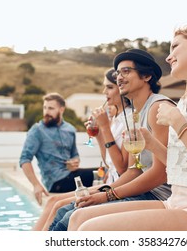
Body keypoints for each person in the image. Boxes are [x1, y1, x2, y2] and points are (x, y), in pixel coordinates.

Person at [68, 24, 187, 231]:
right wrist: (152, 144)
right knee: (79, 218)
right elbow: (180, 165)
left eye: (175, 47)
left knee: (89, 230)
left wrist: (178, 122)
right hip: (176, 201)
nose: (168, 57)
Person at [48, 49, 176, 231]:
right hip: (141, 189)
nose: (119, 78)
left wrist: (108, 195)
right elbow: (134, 171)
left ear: (146, 75)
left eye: (126, 71)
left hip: (159, 195)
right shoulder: (135, 116)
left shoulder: (157, 107)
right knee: (64, 211)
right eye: (118, 73)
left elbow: (160, 173)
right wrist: (101, 191)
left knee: (71, 217)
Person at [32, 68, 131, 230]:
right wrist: (99, 134)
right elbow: (109, 163)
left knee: (58, 206)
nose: (104, 91)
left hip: (117, 186)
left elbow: (121, 168)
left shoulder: (127, 120)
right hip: (110, 181)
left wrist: (104, 127)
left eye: (110, 87)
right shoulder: (115, 119)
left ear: (122, 88)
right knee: (52, 201)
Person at [19, 92, 95, 205]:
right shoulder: (37, 130)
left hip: (72, 176)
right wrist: (36, 185)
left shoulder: (70, 129)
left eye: (51, 108)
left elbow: (75, 154)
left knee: (101, 173)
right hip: (56, 182)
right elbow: (24, 159)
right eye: (45, 108)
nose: (46, 112)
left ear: (61, 109)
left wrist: (74, 162)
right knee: (100, 174)